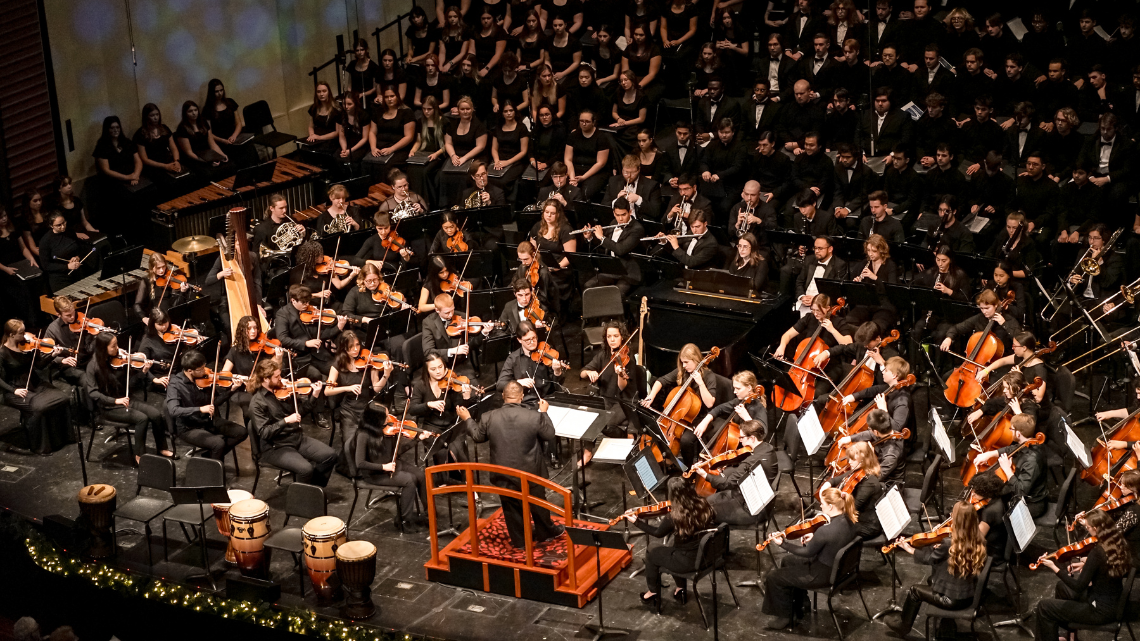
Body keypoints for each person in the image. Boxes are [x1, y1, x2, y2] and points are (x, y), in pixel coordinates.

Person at [459, 381, 562, 548]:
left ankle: (520, 541)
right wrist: (543, 413)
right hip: (531, 472)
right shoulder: (534, 416)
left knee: (511, 508)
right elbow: (549, 434)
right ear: (522, 397)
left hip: (503, 473)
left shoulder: (489, 416)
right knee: (538, 504)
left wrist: (468, 419)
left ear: (502, 397)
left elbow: (478, 437)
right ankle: (546, 532)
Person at [886, 500, 988, 637]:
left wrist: (909, 548)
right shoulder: (978, 539)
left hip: (951, 600)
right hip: (970, 594)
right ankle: (947, 623)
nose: (950, 514)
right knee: (930, 580)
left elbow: (930, 559)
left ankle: (903, 626)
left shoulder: (949, 543)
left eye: (953, 514)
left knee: (914, 591)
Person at [762, 487, 857, 630]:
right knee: (787, 561)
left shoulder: (825, 531)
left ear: (831, 507)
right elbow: (834, 541)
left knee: (774, 577)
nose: (820, 506)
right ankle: (802, 603)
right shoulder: (850, 519)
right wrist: (815, 538)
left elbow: (807, 552)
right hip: (839, 569)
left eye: (823, 503)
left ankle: (785, 617)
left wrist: (784, 544)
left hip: (822, 574)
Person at [1033, 510, 1132, 641]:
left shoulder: (1097, 552)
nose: (1088, 530)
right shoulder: (1117, 542)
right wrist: (1087, 565)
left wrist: (1054, 568)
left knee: (1044, 607)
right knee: (1062, 587)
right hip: (1112, 602)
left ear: (1096, 529)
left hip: (1099, 611)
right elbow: (1104, 567)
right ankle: (1069, 637)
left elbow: (1079, 586)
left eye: (1088, 528)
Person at [625, 476, 717, 612]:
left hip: (688, 562)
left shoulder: (675, 516)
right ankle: (681, 589)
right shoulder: (703, 504)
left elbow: (658, 533)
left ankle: (652, 593)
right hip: (707, 555)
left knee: (652, 550)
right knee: (674, 546)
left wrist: (636, 522)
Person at [248, 359, 337, 487]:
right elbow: (264, 433)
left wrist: (315, 395)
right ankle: (300, 502)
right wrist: (286, 421)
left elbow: (300, 412)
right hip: (276, 447)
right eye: (276, 377)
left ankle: (313, 491)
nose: (281, 379)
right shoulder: (257, 403)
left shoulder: (284, 391)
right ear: (266, 379)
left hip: (296, 437)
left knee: (330, 455)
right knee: (305, 469)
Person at [86, 332, 171, 463]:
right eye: (113, 346)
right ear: (104, 348)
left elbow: (134, 376)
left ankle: (162, 448)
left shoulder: (120, 357)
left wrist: (146, 373)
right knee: (142, 419)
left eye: (117, 344)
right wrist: (115, 401)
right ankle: (139, 455)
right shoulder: (93, 367)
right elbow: (93, 393)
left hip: (126, 399)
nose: (117, 348)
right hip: (109, 406)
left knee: (155, 414)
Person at [325, 330, 393, 477]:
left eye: (357, 345)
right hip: (349, 411)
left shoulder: (370, 361)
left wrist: (386, 375)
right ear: (344, 348)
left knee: (374, 441)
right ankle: (354, 472)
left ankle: (373, 467)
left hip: (367, 410)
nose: (355, 349)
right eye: (351, 347)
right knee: (350, 444)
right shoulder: (337, 364)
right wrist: (347, 388)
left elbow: (376, 388)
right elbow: (327, 391)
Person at [355, 402, 431, 531]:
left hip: (391, 464)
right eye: (385, 416)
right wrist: (384, 467)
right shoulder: (363, 435)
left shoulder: (387, 431)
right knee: (409, 480)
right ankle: (405, 521)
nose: (389, 418)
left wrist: (418, 439)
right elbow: (360, 463)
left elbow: (398, 451)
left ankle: (429, 513)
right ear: (375, 419)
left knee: (420, 475)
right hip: (375, 474)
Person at [0, 320, 72, 455]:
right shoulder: (2, 353)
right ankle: (41, 446)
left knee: (63, 398)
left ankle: (63, 438)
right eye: (21, 333)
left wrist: (53, 355)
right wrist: (13, 390)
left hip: (35, 383)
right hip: (14, 389)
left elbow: (39, 366)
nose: (26, 336)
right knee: (39, 408)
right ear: (11, 335)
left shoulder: (27, 348)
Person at [165, 348, 245, 462]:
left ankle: (209, 457)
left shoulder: (205, 380)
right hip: (189, 427)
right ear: (190, 370)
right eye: (201, 369)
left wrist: (232, 390)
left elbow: (215, 402)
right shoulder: (175, 385)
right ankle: (213, 472)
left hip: (207, 420)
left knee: (241, 432)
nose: (205, 370)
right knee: (218, 443)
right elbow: (173, 410)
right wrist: (200, 409)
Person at [683, 370, 767, 467]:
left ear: (749, 388)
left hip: (749, 451)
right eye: (734, 388)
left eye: (738, 388)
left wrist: (746, 417)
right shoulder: (740, 401)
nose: (735, 392)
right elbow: (719, 409)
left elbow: (762, 433)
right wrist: (704, 422)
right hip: (737, 444)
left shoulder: (759, 408)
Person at [972, 413, 1048, 517]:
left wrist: (1007, 470)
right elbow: (1011, 449)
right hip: (1020, 494)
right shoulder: (1027, 444)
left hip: (1031, 503)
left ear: (1018, 434)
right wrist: (989, 454)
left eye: (1011, 429)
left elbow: (1021, 491)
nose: (1010, 431)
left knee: (993, 510)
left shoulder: (1032, 460)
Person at [820, 441, 883, 540]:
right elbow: (835, 480)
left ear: (863, 461)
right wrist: (825, 487)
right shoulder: (858, 471)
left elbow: (854, 507)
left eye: (852, 459)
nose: (849, 462)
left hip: (866, 524)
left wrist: (831, 510)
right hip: (854, 517)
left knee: (829, 530)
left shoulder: (870, 482)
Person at [580, 198, 644, 295]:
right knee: (588, 286)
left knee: (616, 294)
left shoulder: (637, 229)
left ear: (630, 212)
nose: (621, 219)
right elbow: (606, 245)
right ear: (614, 213)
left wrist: (602, 237)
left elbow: (620, 249)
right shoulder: (613, 223)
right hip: (612, 270)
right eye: (617, 215)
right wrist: (590, 237)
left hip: (628, 274)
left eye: (624, 215)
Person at [496, 321, 565, 406]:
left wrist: (557, 372)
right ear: (519, 340)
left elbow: (557, 385)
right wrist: (518, 383)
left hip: (547, 400)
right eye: (527, 340)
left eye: (534, 338)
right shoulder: (513, 358)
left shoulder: (545, 353)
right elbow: (500, 385)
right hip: (524, 404)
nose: (532, 342)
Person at [39, 213, 96, 294]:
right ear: (51, 226)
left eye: (64, 223)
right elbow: (46, 265)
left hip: (77, 273)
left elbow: (78, 248)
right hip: (60, 279)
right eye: (59, 225)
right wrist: (67, 266)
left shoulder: (70, 232)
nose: (63, 226)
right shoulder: (45, 241)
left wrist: (77, 257)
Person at [174, 101, 231, 178]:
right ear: (185, 113)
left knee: (230, 165)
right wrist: (207, 162)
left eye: (195, 110)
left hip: (207, 154)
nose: (194, 113)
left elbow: (212, 143)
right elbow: (189, 153)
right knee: (209, 173)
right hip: (194, 158)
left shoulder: (203, 122)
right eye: (190, 111)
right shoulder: (182, 128)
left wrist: (221, 155)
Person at [133, 103, 183, 186]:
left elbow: (173, 147)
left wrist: (177, 161)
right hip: (154, 166)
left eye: (157, 114)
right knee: (169, 183)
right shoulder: (140, 134)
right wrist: (165, 166)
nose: (156, 117)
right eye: (152, 115)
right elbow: (145, 159)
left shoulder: (164, 128)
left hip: (168, 160)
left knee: (186, 177)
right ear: (146, 117)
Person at [301, 81, 342, 156]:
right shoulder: (314, 108)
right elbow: (311, 126)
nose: (321, 94)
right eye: (319, 92)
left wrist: (320, 137)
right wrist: (312, 135)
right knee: (304, 148)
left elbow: (337, 132)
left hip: (330, 138)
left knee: (320, 151)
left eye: (324, 91)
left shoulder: (336, 110)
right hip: (317, 136)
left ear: (328, 92)